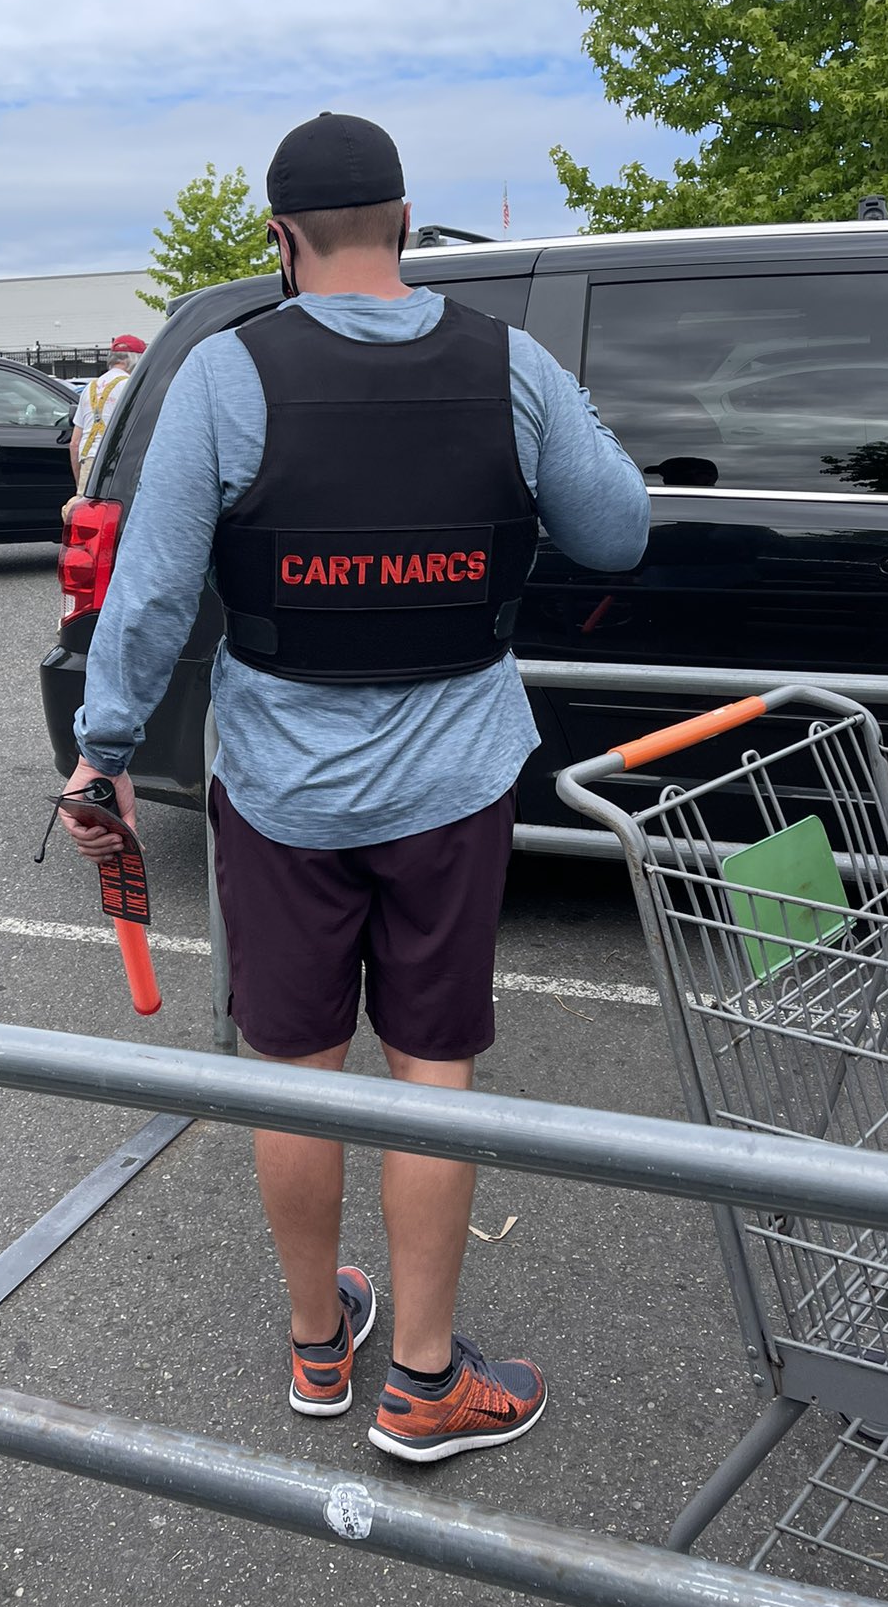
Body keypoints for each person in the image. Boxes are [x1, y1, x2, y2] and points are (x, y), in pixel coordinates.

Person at [59, 114, 649, 1463]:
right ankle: (429, 1382)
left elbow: (147, 602)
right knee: (432, 1067)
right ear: (401, 223)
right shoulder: (508, 362)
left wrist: (101, 752)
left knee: (297, 1069)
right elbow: (617, 527)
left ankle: (320, 1348)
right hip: (454, 783)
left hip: (278, 791)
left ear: (280, 241)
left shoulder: (224, 373)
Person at [70, 333, 147, 492]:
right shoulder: (131, 386)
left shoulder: (89, 388)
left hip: (89, 461)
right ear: (136, 360)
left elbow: (75, 443)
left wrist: (80, 486)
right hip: (119, 465)